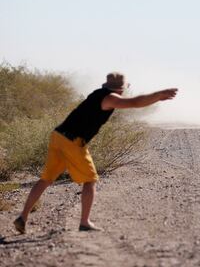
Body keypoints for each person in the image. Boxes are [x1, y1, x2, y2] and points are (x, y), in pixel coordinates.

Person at [13, 72, 178, 233]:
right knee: (90, 180)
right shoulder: (111, 98)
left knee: (46, 179)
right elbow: (135, 102)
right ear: (121, 89)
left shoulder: (98, 94)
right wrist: (158, 95)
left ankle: (23, 217)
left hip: (58, 136)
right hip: (73, 141)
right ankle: (85, 222)